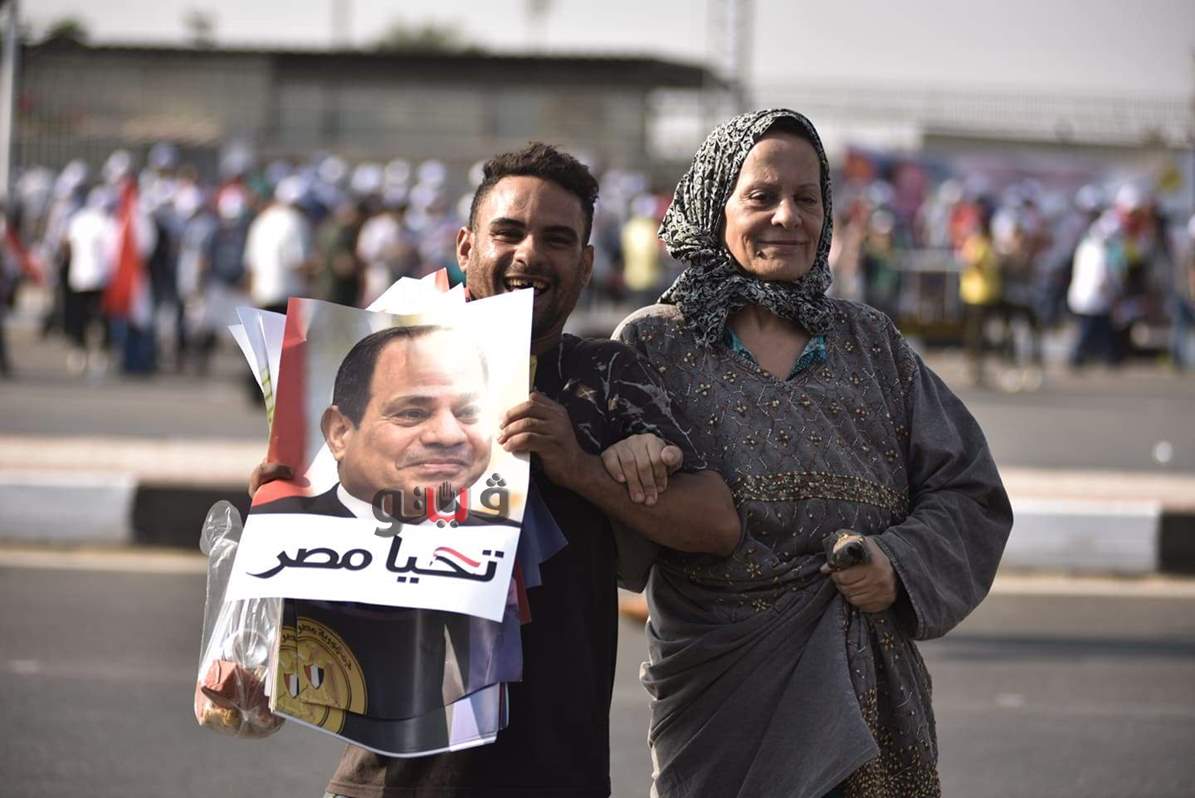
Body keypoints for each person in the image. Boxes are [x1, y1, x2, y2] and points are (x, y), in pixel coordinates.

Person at [248, 142, 742, 798]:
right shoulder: (389, 367)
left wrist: (580, 468)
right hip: (388, 779)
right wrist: (285, 506)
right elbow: (321, 567)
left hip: (552, 775)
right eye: (508, 232)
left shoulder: (604, 375)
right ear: (465, 246)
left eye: (557, 239)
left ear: (586, 264)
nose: (529, 254)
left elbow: (716, 523)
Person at [606, 109, 1012, 798]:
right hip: (722, 700)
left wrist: (897, 565)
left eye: (806, 198)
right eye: (761, 197)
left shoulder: (869, 342)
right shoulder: (654, 344)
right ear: (714, 205)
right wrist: (627, 457)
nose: (787, 217)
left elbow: (968, 489)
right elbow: (612, 521)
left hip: (872, 698)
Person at [254, 325, 495, 521]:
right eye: (412, 414)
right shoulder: (281, 530)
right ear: (340, 432)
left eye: (468, 412)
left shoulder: (506, 545)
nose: (448, 435)